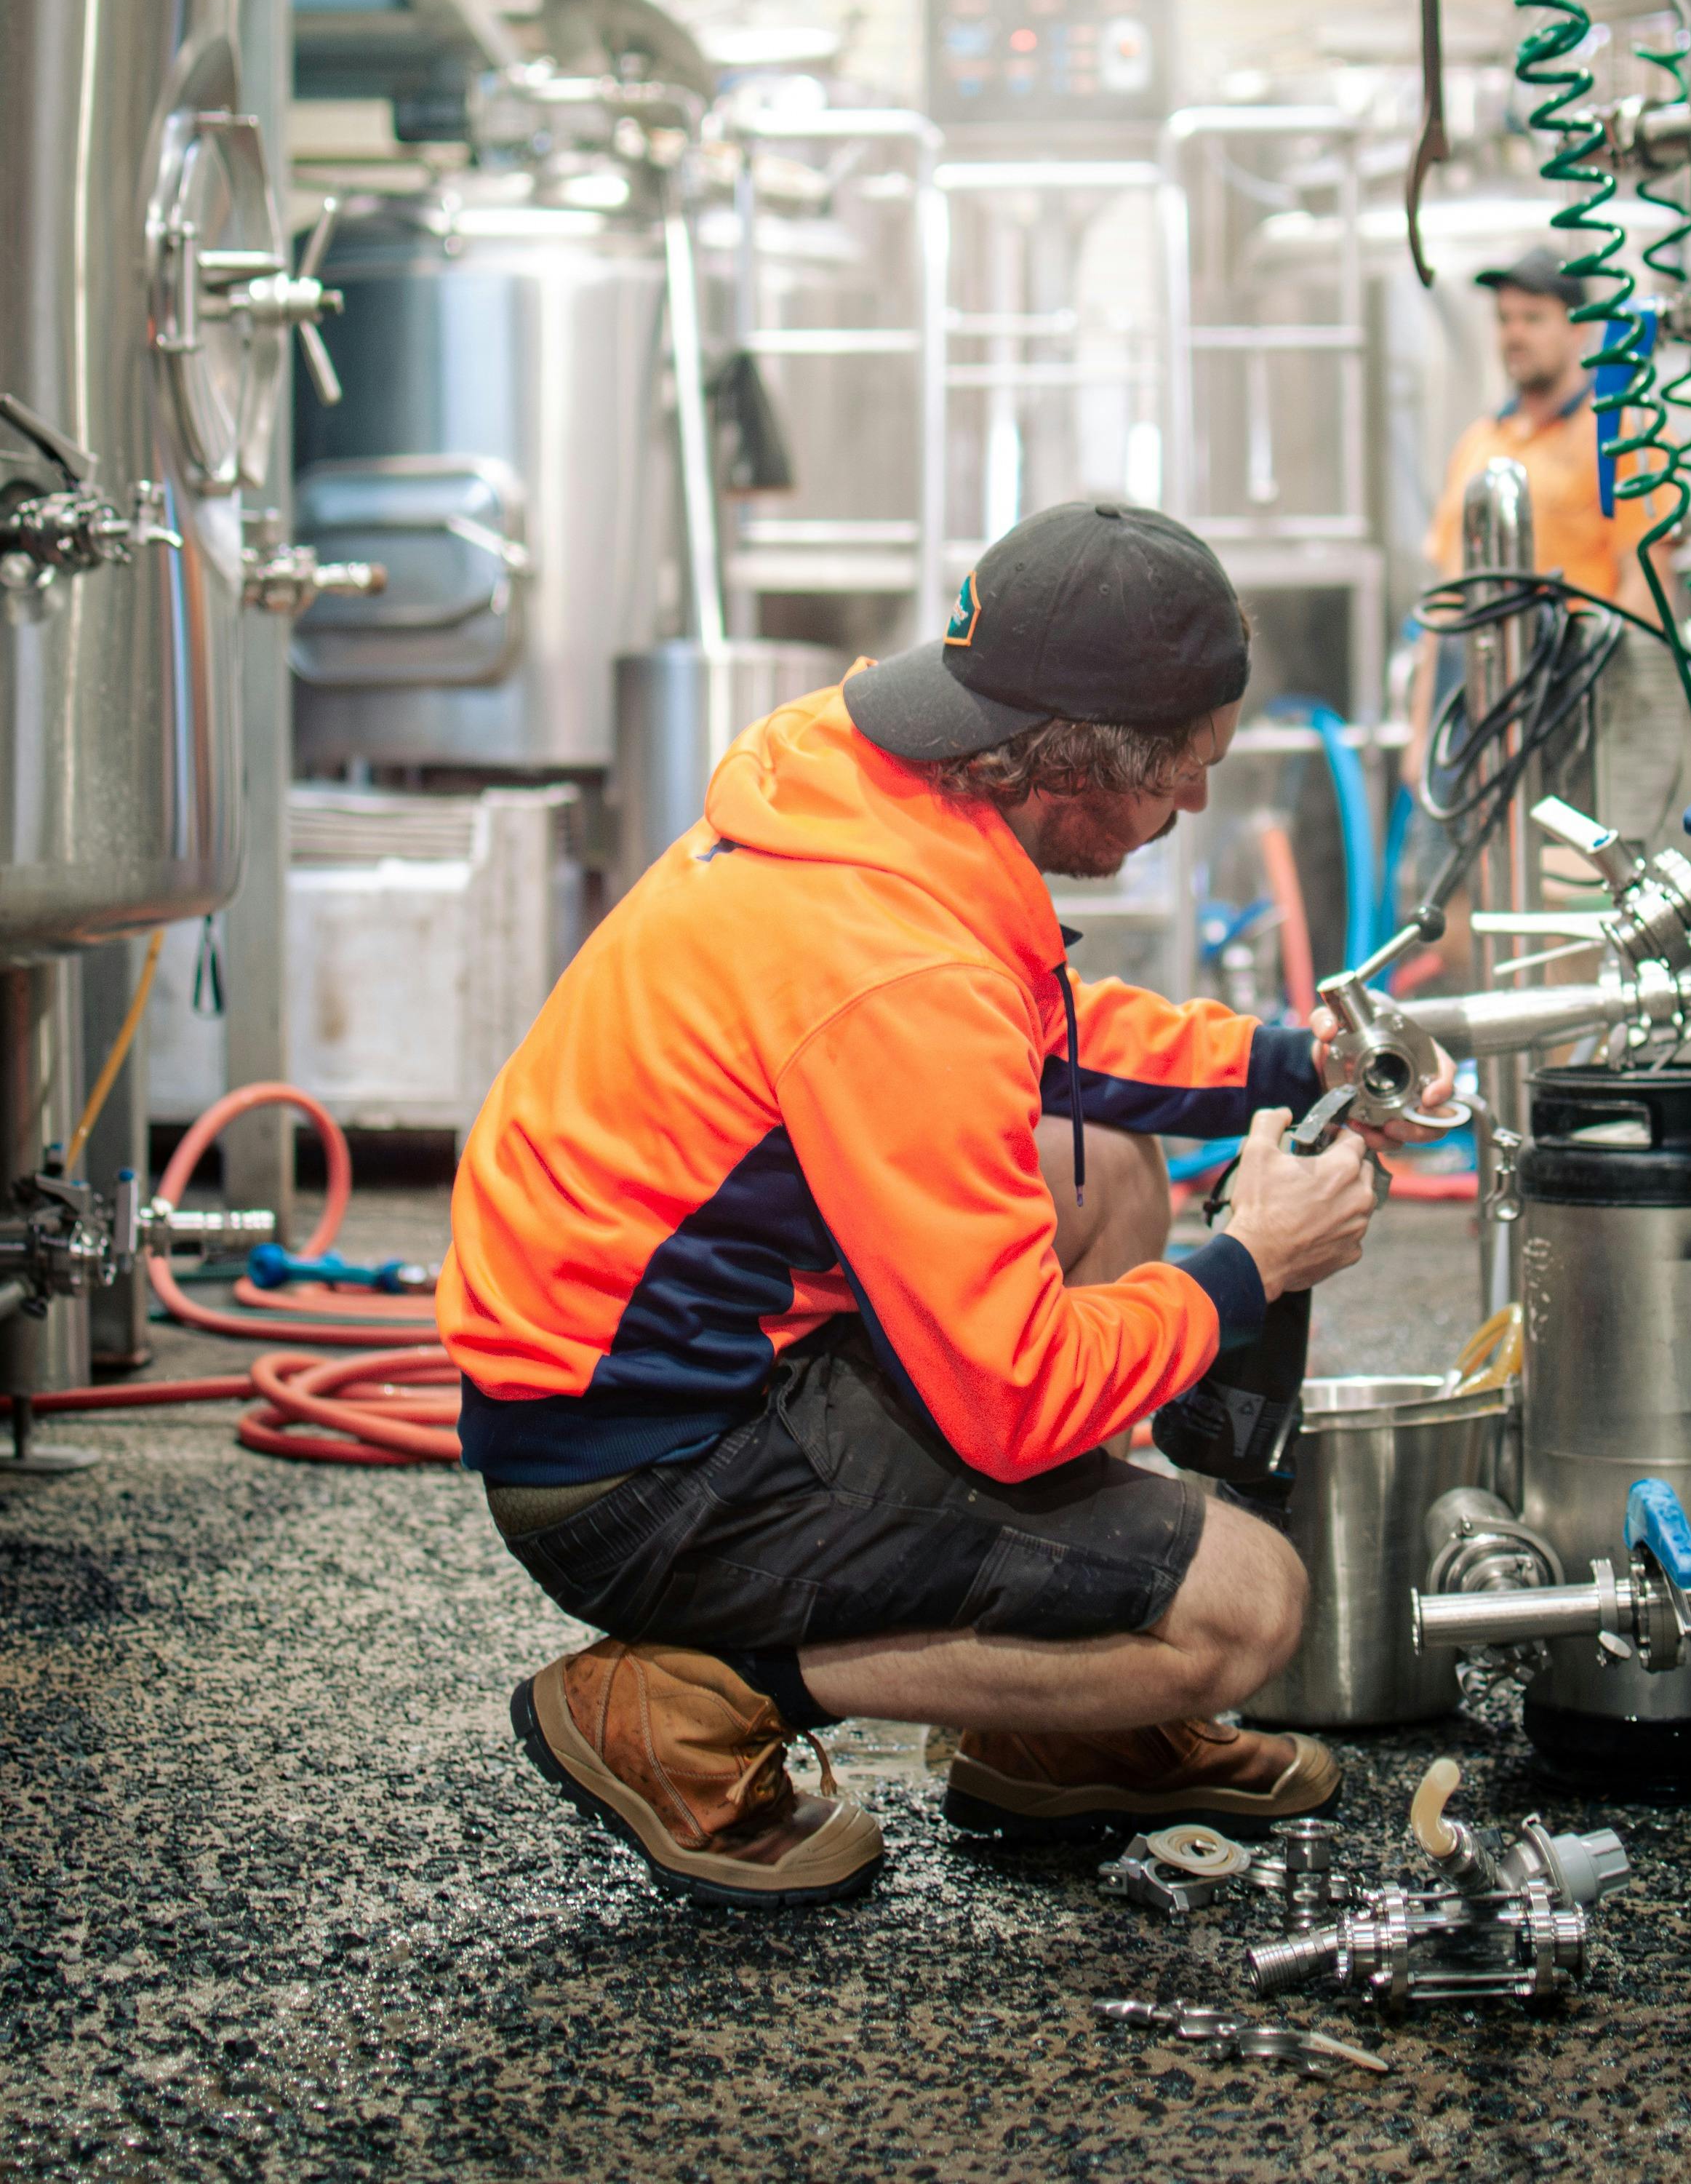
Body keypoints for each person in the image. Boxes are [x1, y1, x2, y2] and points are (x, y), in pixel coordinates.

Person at [439, 502, 1444, 1909]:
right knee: (1243, 1606)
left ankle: (1053, 1718)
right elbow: (1015, 1398)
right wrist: (1249, 1263)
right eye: (1184, 773)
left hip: (667, 1365)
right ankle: (700, 1697)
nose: (1192, 807)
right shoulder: (899, 969)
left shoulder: (869, 784)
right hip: (642, 1476)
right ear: (1077, 767)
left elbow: (1030, 1023)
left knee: (1099, 1167)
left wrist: (1287, 1062)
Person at [1403, 239, 1655, 805]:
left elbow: (1643, 583)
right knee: (1450, 849)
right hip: (1465, 694)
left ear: (1578, 330)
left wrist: (1607, 707)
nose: (1514, 334)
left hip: (1567, 686)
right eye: (1504, 320)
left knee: (1560, 851)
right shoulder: (1478, 443)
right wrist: (1420, 734)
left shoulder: (1616, 436)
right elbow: (1444, 601)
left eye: (1533, 319)